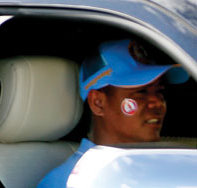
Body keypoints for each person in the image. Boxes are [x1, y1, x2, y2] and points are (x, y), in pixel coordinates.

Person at [36, 38, 189, 188]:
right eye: (141, 92)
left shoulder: (162, 163)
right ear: (98, 103)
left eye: (159, 92)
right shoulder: (74, 181)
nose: (157, 102)